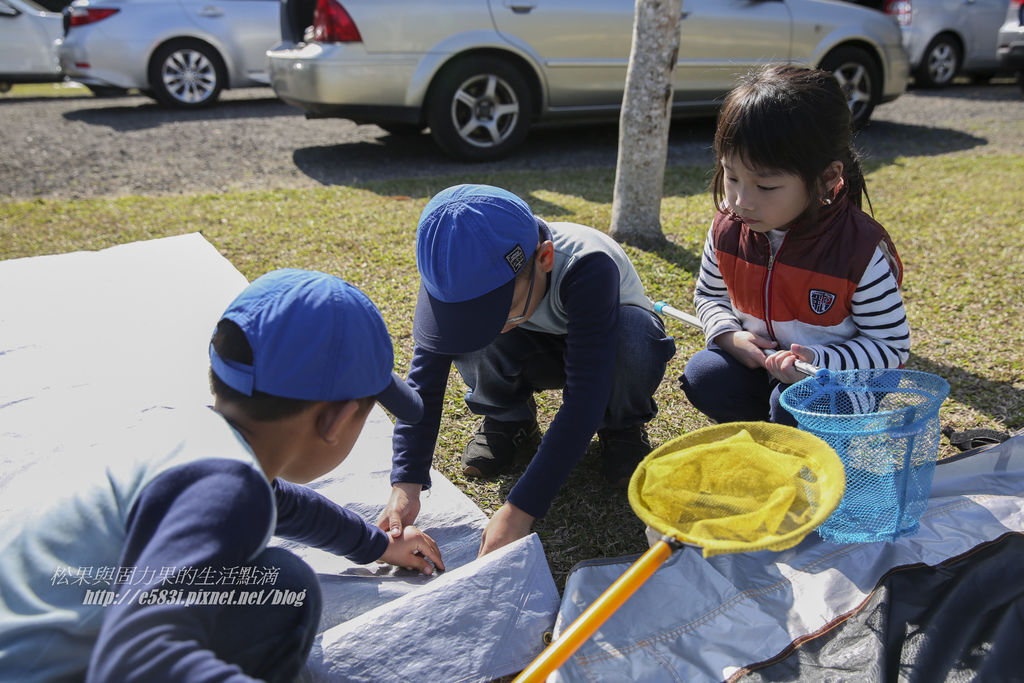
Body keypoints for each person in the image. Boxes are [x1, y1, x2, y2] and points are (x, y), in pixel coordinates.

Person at [0, 268, 444, 682]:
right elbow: (136, 659)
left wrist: (380, 544)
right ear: (336, 420)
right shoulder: (227, 489)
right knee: (281, 590)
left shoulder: (197, 439)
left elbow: (282, 502)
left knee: (281, 582)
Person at [378, 184, 676, 556]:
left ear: (544, 258)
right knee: (466, 335)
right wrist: (405, 484)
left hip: (603, 353)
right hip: (531, 349)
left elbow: (586, 394)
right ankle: (509, 422)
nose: (489, 321)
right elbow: (423, 382)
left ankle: (622, 426)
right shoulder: (452, 266)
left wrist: (520, 510)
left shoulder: (588, 264)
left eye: (499, 307)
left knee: (634, 337)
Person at [679, 64, 911, 427]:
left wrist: (816, 361)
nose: (742, 200)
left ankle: (806, 442)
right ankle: (769, 431)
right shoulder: (727, 227)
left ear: (827, 177)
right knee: (706, 375)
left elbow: (891, 346)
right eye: (732, 176)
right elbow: (710, 296)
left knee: (796, 402)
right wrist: (729, 335)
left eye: (766, 186)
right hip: (766, 370)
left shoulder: (859, 251)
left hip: (832, 380)